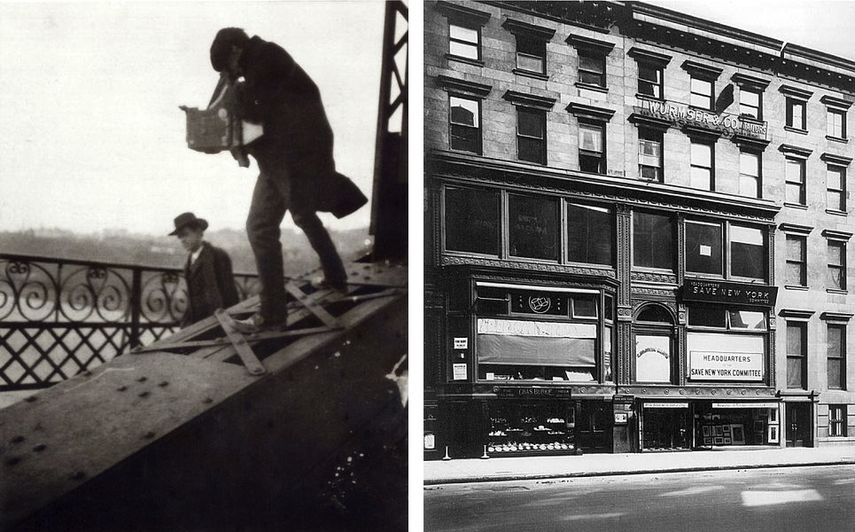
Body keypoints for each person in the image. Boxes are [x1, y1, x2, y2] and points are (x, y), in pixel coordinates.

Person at [209, 27, 367, 332]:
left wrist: (231, 97)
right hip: (290, 155)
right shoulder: (262, 59)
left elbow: (257, 117)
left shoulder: (266, 60)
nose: (233, 74)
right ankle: (335, 277)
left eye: (229, 68)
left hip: (294, 157)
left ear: (234, 51)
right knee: (302, 215)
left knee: (260, 227)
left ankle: (271, 317)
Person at [170, 212, 240, 327]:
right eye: (180, 237)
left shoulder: (217, 255)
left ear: (199, 233)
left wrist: (226, 322)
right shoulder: (189, 262)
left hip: (217, 322)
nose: (182, 240)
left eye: (185, 234)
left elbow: (229, 294)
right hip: (197, 323)